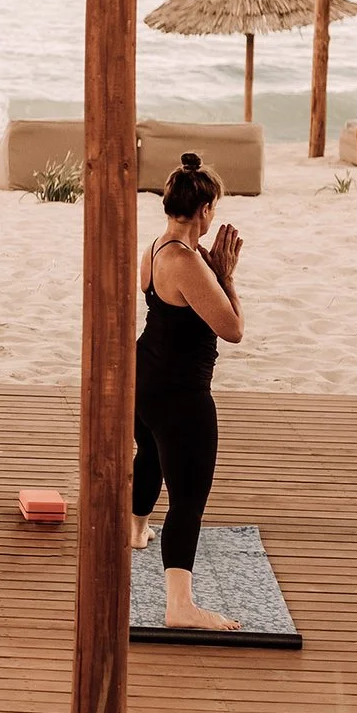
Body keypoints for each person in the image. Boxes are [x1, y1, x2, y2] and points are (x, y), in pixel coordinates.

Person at [130, 152, 245, 631]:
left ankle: (136, 530)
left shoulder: (156, 248)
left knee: (150, 455)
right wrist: (226, 275)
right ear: (206, 209)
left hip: (144, 376)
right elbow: (232, 329)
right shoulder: (188, 263)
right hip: (180, 393)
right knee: (189, 499)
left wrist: (211, 270)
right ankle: (180, 606)